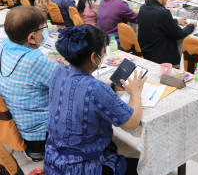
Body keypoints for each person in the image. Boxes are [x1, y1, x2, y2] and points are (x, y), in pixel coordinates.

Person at [44, 25, 144, 174]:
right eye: (103, 50)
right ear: (93, 57)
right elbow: (132, 122)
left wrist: (113, 87)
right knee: (142, 166)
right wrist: (135, 93)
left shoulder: (58, 71)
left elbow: (79, 85)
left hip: (54, 159)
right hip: (82, 167)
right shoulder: (95, 88)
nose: (104, 54)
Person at [0, 6, 58, 161]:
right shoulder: (35, 60)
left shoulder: (4, 45)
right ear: (31, 37)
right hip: (39, 140)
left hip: (20, 129)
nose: (45, 32)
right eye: (43, 28)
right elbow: (71, 85)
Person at [138, 0, 196, 65]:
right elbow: (179, 34)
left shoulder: (143, 8)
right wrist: (192, 25)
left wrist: (176, 21)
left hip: (146, 53)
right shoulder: (163, 12)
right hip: (161, 58)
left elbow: (156, 21)